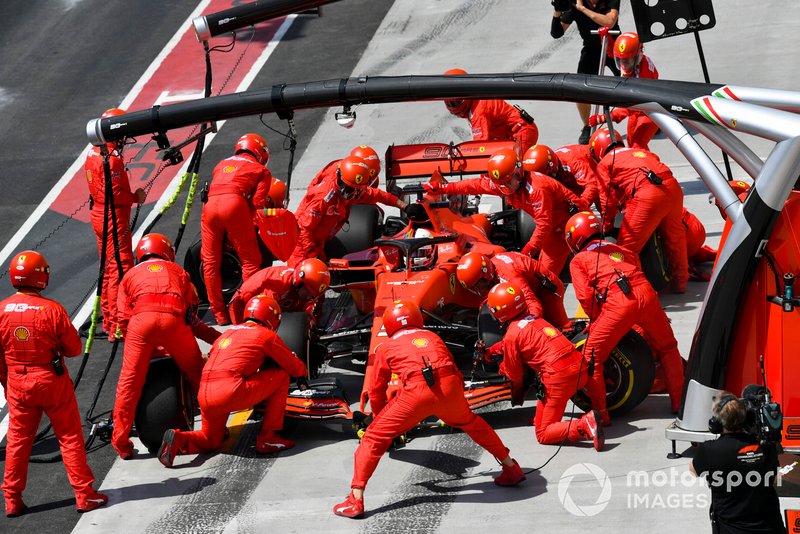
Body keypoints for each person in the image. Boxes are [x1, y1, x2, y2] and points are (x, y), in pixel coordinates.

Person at [333, 301, 525, 518]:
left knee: (372, 438)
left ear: (389, 324)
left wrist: (379, 419)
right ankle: (511, 467)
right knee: (472, 423)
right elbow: (453, 370)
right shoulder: (433, 337)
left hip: (416, 392)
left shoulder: (385, 347)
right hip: (449, 387)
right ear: (417, 318)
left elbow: (377, 389)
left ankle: (355, 499)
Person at [0, 251, 108, 516]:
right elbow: (73, 349)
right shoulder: (52, 310)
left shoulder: (1, 310)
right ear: (41, 276)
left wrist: (7, 382)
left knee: (17, 441)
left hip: (18, 381)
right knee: (70, 436)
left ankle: (12, 499)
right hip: (50, 381)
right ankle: (84, 495)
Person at [158, 295, 307, 467]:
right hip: (230, 390)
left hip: (205, 393)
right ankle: (268, 438)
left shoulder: (227, 333)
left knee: (211, 440)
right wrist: (303, 370)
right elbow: (295, 367)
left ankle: (179, 438)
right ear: (272, 317)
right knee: (280, 377)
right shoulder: (265, 335)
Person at [565, 211, 685, 423]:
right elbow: (636, 268)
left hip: (620, 302)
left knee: (591, 358)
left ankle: (601, 415)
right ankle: (679, 401)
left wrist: (598, 322)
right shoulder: (619, 250)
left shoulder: (579, 261)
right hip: (646, 294)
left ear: (575, 238)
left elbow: (586, 298)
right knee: (667, 347)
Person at [113, 233, 221, 460]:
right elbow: (192, 313)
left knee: (128, 384)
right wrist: (220, 339)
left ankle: (121, 443)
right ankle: (215, 427)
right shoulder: (179, 272)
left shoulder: (129, 276)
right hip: (174, 321)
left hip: (140, 324)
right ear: (167, 252)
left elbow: (122, 320)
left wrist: (147, 346)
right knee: (198, 374)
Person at [425, 147, 588, 276]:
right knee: (543, 277)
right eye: (501, 185)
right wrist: (442, 188)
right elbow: (473, 184)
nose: (506, 189)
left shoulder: (538, 188)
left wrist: (526, 253)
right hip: (555, 231)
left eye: (509, 183)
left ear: (518, 172)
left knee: (593, 265)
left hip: (578, 224)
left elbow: (543, 225)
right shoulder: (502, 184)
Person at [485, 282, 604, 449]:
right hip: (580, 367)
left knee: (543, 433)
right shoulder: (536, 319)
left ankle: (584, 424)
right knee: (541, 416)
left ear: (501, 311)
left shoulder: (512, 334)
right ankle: (603, 415)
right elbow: (521, 341)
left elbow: (514, 374)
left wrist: (501, 367)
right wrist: (492, 350)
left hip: (560, 378)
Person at [590, 127, 689, 293]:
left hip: (648, 194)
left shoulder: (606, 162)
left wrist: (606, 228)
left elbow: (607, 199)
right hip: (672, 187)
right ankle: (680, 283)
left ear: (598, 150)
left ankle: (637, 291)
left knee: (625, 250)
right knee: (676, 238)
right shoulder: (640, 151)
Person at [84, 107, 147, 340]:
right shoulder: (112, 159)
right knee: (120, 269)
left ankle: (110, 322)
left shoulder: (93, 152)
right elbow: (117, 194)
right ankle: (119, 324)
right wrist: (135, 198)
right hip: (113, 216)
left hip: (98, 214)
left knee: (109, 269)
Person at [287, 154, 414, 267]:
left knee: (320, 284)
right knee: (303, 283)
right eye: (349, 190)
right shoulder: (323, 198)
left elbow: (379, 195)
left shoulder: (354, 189)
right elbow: (303, 229)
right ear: (339, 179)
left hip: (319, 242)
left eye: (357, 190)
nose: (352, 195)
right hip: (301, 246)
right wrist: (313, 255)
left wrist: (405, 207)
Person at [202, 133, 274, 325]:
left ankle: (220, 315)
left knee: (209, 262)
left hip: (209, 207)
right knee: (250, 262)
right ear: (260, 153)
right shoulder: (261, 170)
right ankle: (244, 310)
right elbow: (257, 205)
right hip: (235, 205)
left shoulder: (221, 164)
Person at [690, 393, 786, 533]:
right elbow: (773, 478)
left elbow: (693, 471)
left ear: (717, 422)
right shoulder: (767, 447)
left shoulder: (709, 450)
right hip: (771, 528)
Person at [550, 0, 620, 144]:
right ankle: (587, 125)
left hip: (614, 45)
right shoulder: (574, 4)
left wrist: (582, 9)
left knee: (634, 81)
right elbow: (556, 33)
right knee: (580, 90)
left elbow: (609, 22)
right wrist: (557, 12)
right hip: (591, 49)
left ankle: (645, 115)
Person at [457, 251, 570, 330]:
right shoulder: (492, 270)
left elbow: (532, 302)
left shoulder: (509, 276)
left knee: (560, 330)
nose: (477, 290)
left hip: (546, 292)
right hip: (529, 288)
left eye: (477, 285)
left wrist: (526, 327)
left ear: (486, 274)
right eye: (472, 288)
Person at [589, 32, 661, 150]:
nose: (624, 64)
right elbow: (613, 52)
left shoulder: (642, 77)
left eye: (627, 61)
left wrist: (604, 118)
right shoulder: (634, 60)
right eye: (620, 60)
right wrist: (605, 38)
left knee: (638, 145)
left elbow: (630, 105)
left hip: (649, 111)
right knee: (631, 143)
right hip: (636, 111)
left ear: (638, 56)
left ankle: (650, 166)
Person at [443, 68, 539, 152]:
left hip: (521, 132)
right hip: (512, 135)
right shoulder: (476, 100)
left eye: (456, 102)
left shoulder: (478, 111)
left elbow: (479, 146)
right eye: (449, 103)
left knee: (511, 167)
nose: (453, 107)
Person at [227, 258, 330, 324]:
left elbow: (309, 309)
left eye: (312, 295)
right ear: (299, 281)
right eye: (307, 291)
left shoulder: (309, 288)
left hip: (279, 302)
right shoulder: (277, 288)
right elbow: (264, 318)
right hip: (243, 307)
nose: (308, 296)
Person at [524, 144, 600, 210]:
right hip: (570, 180)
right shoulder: (554, 164)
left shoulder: (573, 163)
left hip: (597, 175)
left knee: (603, 206)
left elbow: (592, 185)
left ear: (551, 166)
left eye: (545, 176)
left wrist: (580, 205)